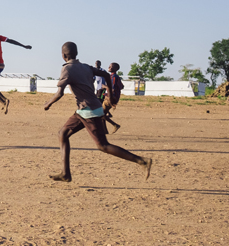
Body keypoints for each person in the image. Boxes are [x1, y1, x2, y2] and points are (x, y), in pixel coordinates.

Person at [44, 42, 152, 182]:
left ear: (63, 55)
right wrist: (111, 95)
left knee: (103, 146)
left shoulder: (67, 69)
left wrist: (48, 103)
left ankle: (142, 161)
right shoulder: (86, 67)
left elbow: (59, 93)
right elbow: (106, 75)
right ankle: (65, 173)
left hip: (88, 111)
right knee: (62, 133)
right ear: (76, 54)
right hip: (85, 110)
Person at [0, 28, 32, 114]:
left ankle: (4, 101)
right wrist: (23, 46)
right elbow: (10, 41)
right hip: (1, 65)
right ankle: (4, 100)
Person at [102, 62, 124, 134]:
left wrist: (104, 86)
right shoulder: (116, 77)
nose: (109, 67)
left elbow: (112, 89)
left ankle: (115, 125)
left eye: (110, 67)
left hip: (110, 98)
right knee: (102, 115)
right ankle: (105, 131)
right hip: (110, 97)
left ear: (115, 69)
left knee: (100, 114)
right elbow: (122, 86)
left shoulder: (113, 77)